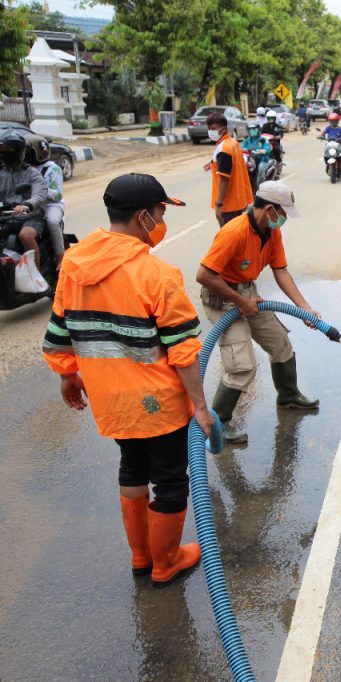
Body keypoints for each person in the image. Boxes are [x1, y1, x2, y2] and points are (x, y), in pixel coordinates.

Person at [42, 173, 214, 588]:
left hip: (110, 400)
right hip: (159, 405)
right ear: (142, 216)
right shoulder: (157, 274)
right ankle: (165, 561)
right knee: (171, 479)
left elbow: (59, 333)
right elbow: (184, 352)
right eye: (159, 213)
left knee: (133, 467)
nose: (160, 220)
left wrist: (69, 377)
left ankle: (141, 556)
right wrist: (202, 409)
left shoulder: (73, 265)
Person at [195, 181, 320, 444]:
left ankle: (288, 396)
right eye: (283, 213)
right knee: (242, 367)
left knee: (280, 344)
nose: (284, 219)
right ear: (270, 209)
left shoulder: (271, 232)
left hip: (247, 295)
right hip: (222, 298)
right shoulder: (234, 232)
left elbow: (280, 270)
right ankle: (219, 423)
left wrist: (304, 309)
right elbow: (204, 275)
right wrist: (240, 301)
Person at [0, 129, 47, 266]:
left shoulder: (32, 173)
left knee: (25, 235)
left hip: (31, 216)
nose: (3, 152)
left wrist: (27, 204)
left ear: (17, 151)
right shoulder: (2, 173)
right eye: (2, 148)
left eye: (7, 149)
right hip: (7, 216)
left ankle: (35, 277)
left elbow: (40, 193)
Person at [203, 112, 253, 227]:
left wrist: (219, 205)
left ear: (223, 128)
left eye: (213, 128)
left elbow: (224, 179)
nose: (210, 131)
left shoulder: (224, 149)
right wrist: (213, 162)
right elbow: (232, 163)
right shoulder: (233, 143)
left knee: (229, 240)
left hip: (228, 205)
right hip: (238, 201)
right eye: (209, 128)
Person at [23, 134, 65, 268]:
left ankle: (61, 257)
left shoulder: (53, 169)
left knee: (52, 222)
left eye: (28, 152)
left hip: (52, 205)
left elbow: (57, 195)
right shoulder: (25, 169)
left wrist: (40, 189)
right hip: (32, 205)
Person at [240, 122, 272, 189]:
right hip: (250, 160)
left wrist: (263, 151)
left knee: (261, 168)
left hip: (262, 160)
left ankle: (261, 188)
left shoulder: (263, 139)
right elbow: (242, 148)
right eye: (250, 130)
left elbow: (267, 149)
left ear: (258, 129)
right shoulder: (246, 140)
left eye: (254, 129)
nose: (252, 131)